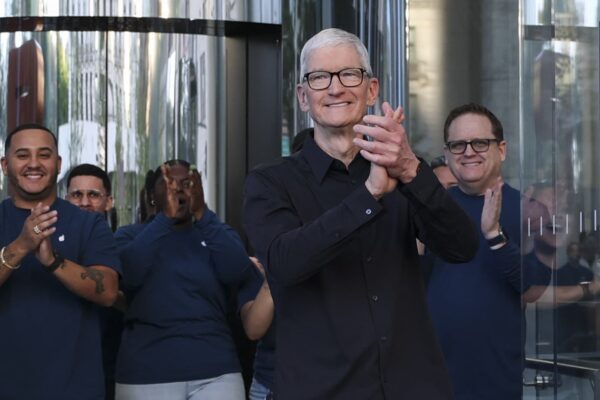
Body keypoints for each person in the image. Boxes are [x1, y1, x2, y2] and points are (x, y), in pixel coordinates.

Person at [243, 28, 478, 399]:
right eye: (320, 78)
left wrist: (411, 169)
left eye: (349, 74)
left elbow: (462, 247)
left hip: (412, 388)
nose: (335, 88)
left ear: (371, 90)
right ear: (303, 97)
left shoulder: (403, 170)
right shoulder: (271, 181)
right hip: (321, 390)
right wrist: (369, 195)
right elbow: (284, 264)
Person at [427, 103, 550, 399]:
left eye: (480, 143)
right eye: (458, 145)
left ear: (502, 150)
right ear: (447, 154)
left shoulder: (529, 211)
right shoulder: (430, 209)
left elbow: (533, 288)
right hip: (431, 377)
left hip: (496, 379)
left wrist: (495, 236)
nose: (469, 152)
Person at [114, 160, 263, 400]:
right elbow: (128, 275)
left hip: (216, 372)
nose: (178, 190)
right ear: (152, 196)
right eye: (169, 184)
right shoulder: (129, 235)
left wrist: (203, 214)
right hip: (146, 372)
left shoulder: (216, 233)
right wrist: (164, 219)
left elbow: (238, 272)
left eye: (186, 184)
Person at [0, 123, 120, 400]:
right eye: (22, 155)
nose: (34, 163)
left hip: (74, 389)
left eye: (44, 155)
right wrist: (21, 245)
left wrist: (53, 262)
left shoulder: (89, 224)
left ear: (58, 163)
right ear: (5, 165)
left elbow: (109, 292)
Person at [66, 163, 123, 400]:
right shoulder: (50, 245)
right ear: (65, 199)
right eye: (76, 195)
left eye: (93, 195)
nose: (84, 202)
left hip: (110, 363)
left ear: (108, 202)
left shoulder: (123, 244)